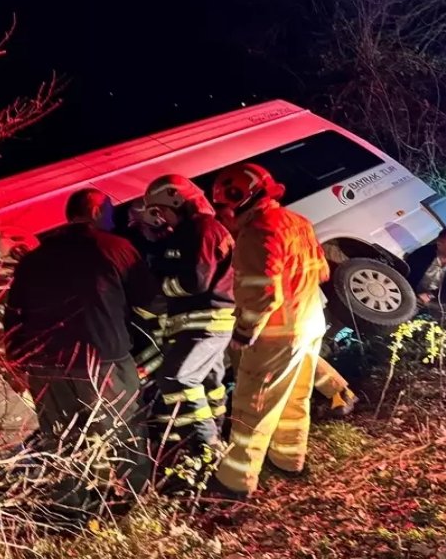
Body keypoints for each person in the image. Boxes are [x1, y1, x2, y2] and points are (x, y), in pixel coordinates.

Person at [4, 188, 159, 508]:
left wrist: (19, 362)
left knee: (60, 439)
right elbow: (150, 300)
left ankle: (69, 509)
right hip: (101, 360)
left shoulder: (34, 259)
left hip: (44, 365)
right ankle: (136, 501)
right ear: (94, 211)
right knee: (124, 430)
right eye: (109, 211)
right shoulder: (115, 248)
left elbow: (14, 317)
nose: (113, 218)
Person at [210, 163, 332, 497]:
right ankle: (289, 461)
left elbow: (263, 293)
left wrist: (242, 334)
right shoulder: (298, 222)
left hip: (276, 336)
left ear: (239, 200)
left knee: (253, 408)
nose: (223, 217)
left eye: (223, 208)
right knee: (296, 398)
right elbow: (322, 271)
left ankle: (235, 482)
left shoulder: (257, 232)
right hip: (310, 324)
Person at [140, 175, 237, 452]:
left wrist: (158, 286)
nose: (163, 219)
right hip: (206, 320)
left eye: (162, 211)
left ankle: (208, 446)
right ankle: (217, 436)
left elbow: (195, 281)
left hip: (204, 322)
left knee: (177, 377)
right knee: (210, 384)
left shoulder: (200, 229)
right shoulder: (197, 230)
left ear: (177, 201)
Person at [405, 229, 446, 319]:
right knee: (402, 316)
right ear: (439, 244)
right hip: (416, 294)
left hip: (442, 297)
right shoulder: (422, 253)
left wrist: (430, 295)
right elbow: (408, 274)